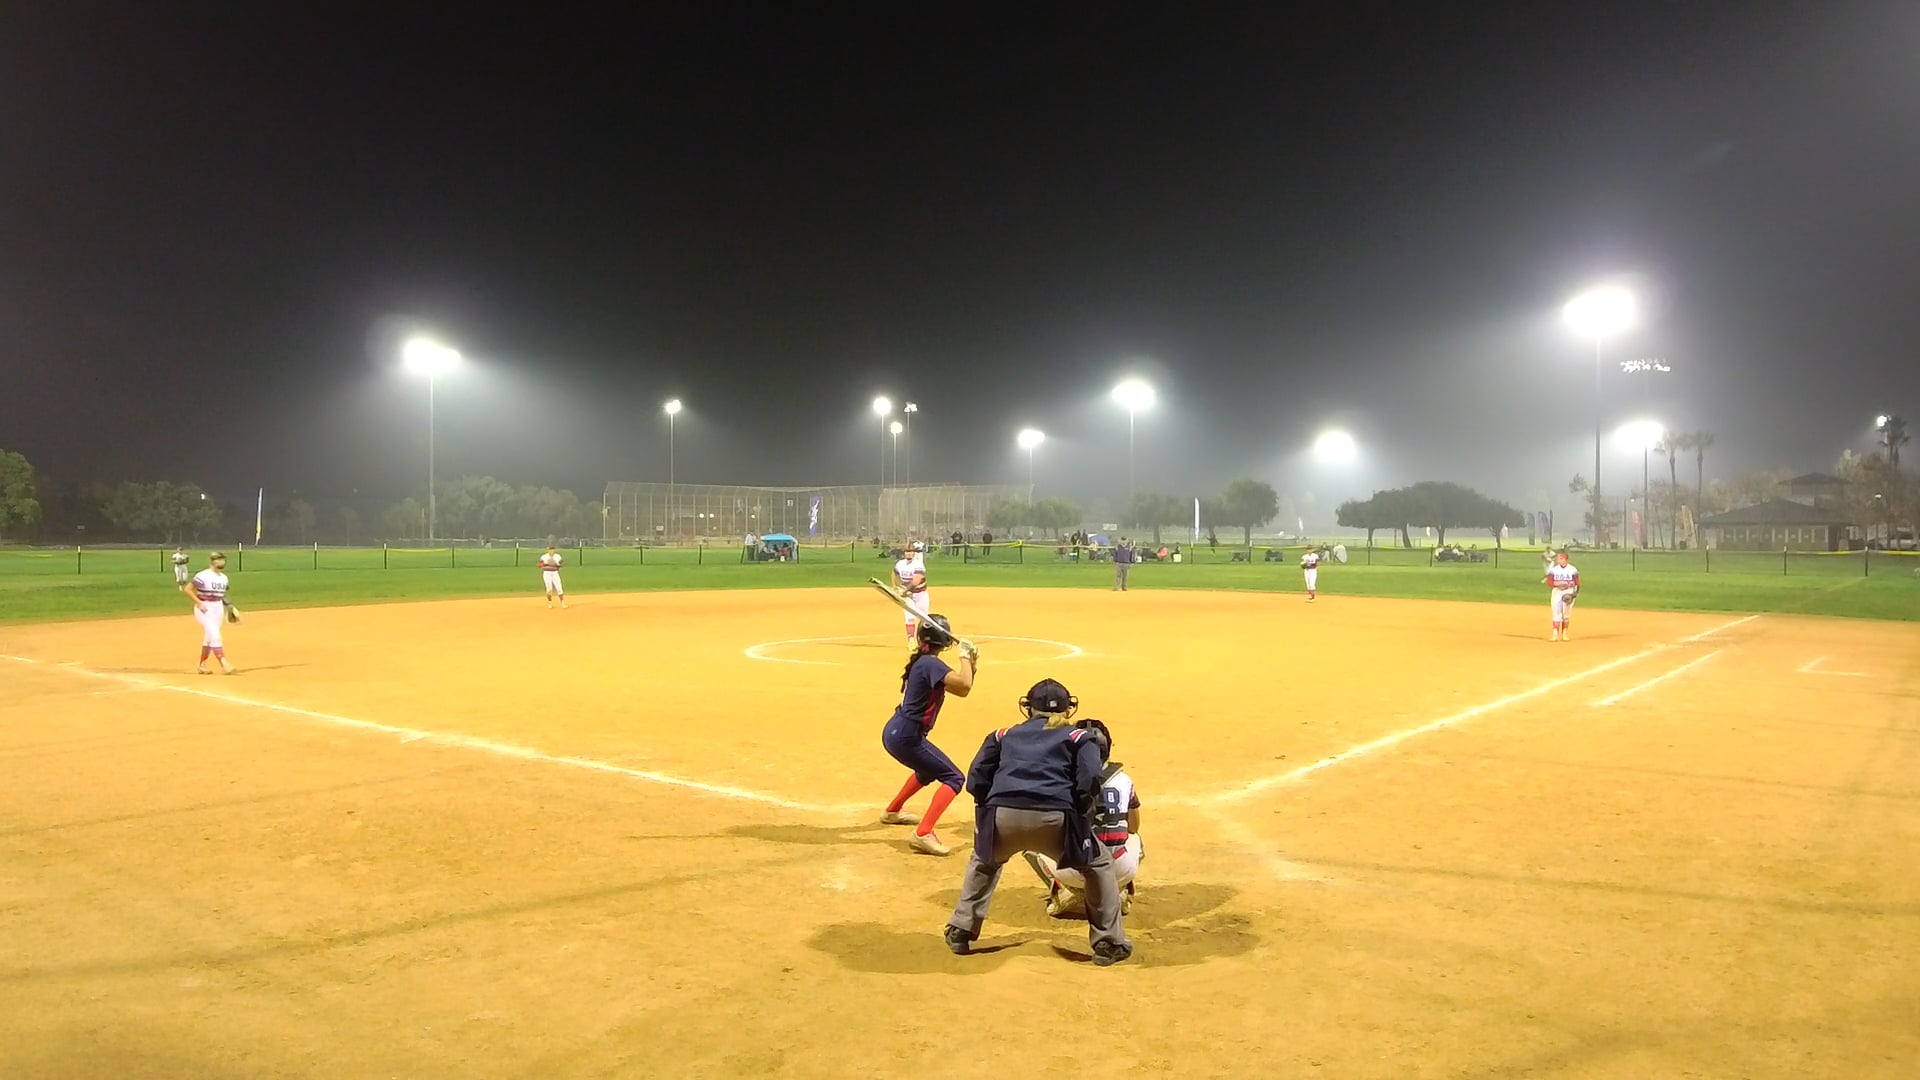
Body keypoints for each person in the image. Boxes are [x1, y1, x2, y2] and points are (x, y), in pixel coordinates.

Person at [944, 678, 1132, 966]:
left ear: (1028, 707)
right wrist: (1079, 814)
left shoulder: (1002, 735)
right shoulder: (1080, 737)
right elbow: (1090, 778)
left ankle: (961, 929)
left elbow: (977, 778)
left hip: (1002, 816)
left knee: (984, 861)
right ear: (1068, 709)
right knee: (1098, 865)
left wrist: (990, 809)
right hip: (1055, 819)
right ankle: (1108, 943)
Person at [1022, 718, 1142, 917]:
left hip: (1072, 872)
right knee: (1135, 839)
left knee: (1031, 837)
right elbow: (1133, 827)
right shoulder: (1124, 780)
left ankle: (1064, 890)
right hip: (1119, 870)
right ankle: (1118, 892)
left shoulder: (1060, 778)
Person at [879, 614, 978, 856]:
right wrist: (965, 657)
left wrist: (971, 663)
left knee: (926, 770)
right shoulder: (932, 665)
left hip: (898, 731)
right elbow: (964, 685)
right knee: (954, 778)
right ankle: (923, 833)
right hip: (907, 736)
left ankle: (893, 811)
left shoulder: (924, 662)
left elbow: (961, 688)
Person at [188, 552, 236, 675]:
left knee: (209, 637)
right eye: (219, 560)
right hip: (204, 607)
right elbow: (188, 589)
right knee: (215, 634)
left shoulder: (224, 578)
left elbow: (222, 594)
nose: (222, 562)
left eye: (223, 560)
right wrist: (198, 602)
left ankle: (202, 665)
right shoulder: (203, 575)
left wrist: (229, 606)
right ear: (212, 561)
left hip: (218, 607)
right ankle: (224, 663)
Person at [891, 540, 929, 648]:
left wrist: (904, 591)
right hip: (908, 596)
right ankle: (911, 641)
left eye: (911, 551)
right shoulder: (900, 564)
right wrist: (895, 586)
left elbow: (916, 581)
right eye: (907, 551)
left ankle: (924, 642)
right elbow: (894, 573)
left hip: (920, 595)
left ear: (914, 553)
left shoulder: (918, 564)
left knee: (924, 619)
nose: (908, 553)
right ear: (904, 553)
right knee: (909, 617)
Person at [1543, 549, 1579, 641]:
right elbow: (1550, 582)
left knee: (1566, 614)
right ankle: (1555, 634)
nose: (1558, 560)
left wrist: (1574, 594)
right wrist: (1559, 584)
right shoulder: (1554, 570)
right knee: (1556, 613)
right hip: (1557, 592)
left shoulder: (1573, 570)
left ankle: (1565, 634)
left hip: (1568, 592)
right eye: (1558, 559)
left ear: (1565, 559)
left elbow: (1577, 583)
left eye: (1560, 558)